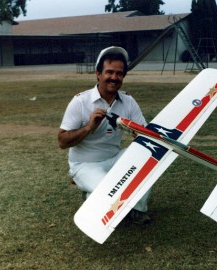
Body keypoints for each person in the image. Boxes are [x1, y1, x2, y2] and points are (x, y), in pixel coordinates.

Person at [58, 46, 150, 224]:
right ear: (98, 73)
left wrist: (139, 136)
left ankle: (137, 210)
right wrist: (88, 128)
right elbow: (62, 142)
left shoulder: (128, 101)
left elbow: (143, 133)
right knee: (109, 191)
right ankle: (92, 196)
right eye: (109, 72)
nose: (114, 78)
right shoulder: (81, 101)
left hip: (114, 158)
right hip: (85, 165)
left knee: (146, 159)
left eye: (119, 73)